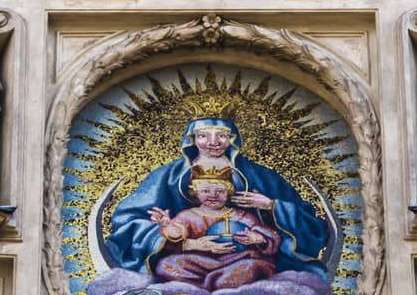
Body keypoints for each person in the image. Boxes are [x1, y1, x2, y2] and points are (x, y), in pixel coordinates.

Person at [107, 116, 334, 282]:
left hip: (243, 255)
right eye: (203, 135)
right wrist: (177, 236)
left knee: (251, 269)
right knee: (169, 267)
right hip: (191, 254)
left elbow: (304, 218)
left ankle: (229, 287)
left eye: (221, 136)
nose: (212, 142)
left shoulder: (258, 176)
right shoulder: (168, 176)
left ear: (232, 140)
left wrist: (270, 206)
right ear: (192, 139)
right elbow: (131, 219)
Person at [149, 172, 280, 290]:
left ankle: (217, 284)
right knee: (166, 265)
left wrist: (257, 238)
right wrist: (168, 226)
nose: (213, 195)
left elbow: (264, 235)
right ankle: (211, 285)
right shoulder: (187, 215)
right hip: (200, 261)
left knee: (252, 266)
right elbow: (176, 236)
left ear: (228, 193)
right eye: (206, 191)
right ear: (196, 192)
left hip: (238, 260)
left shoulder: (242, 215)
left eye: (220, 191)